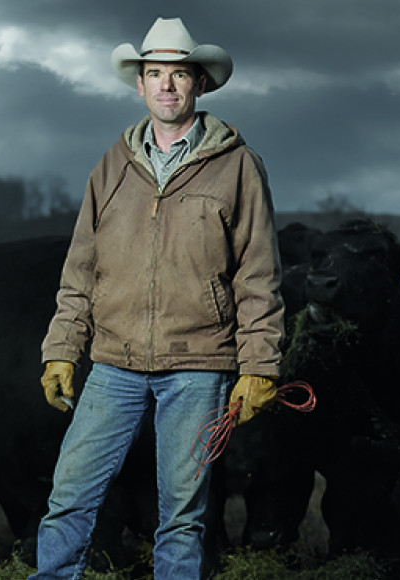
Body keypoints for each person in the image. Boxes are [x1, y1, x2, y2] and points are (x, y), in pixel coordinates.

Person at [32, 16, 284, 580]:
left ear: (199, 83)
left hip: (198, 365)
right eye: (154, 74)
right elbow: (81, 269)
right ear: (140, 84)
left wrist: (260, 364)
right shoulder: (113, 166)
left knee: (183, 513)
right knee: (69, 495)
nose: (166, 85)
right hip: (113, 363)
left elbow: (258, 274)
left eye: (178, 74)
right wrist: (61, 350)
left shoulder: (238, 166)